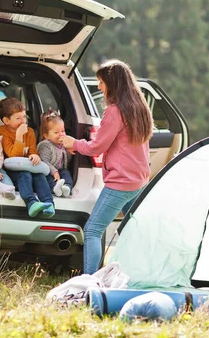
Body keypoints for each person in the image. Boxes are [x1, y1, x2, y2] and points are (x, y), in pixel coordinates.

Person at [60, 60, 153, 274]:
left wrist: (72, 143)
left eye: (102, 82)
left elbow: (97, 147)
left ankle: (89, 280)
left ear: (113, 83)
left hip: (121, 183)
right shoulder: (140, 108)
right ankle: (140, 273)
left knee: (92, 230)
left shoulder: (115, 111)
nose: (99, 87)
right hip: (139, 181)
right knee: (133, 230)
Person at [0, 97, 55, 218]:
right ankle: (31, 203)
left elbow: (32, 150)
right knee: (25, 174)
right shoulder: (2, 132)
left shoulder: (30, 132)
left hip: (28, 166)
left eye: (24, 117)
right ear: (6, 120)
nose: (23, 121)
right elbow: (12, 155)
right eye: (18, 118)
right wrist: (18, 136)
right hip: (11, 170)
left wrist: (34, 155)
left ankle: (49, 203)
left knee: (39, 175)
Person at [37, 108, 73, 197]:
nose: (61, 134)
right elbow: (44, 161)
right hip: (48, 171)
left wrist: (68, 150)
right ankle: (55, 189)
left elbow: (67, 161)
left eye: (63, 131)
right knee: (47, 178)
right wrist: (54, 171)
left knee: (66, 173)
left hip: (60, 170)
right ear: (46, 135)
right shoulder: (45, 145)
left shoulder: (63, 144)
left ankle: (67, 187)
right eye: (56, 132)